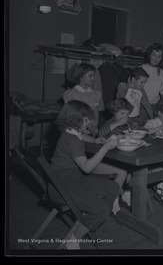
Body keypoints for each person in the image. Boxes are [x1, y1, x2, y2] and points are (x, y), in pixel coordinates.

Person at [48, 100, 121, 250]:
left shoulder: (69, 133)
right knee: (102, 210)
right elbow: (87, 168)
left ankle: (88, 219)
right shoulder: (72, 141)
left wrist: (94, 140)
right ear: (76, 120)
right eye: (86, 119)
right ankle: (73, 239)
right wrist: (105, 148)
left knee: (113, 187)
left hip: (71, 178)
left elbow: (81, 137)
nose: (88, 123)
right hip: (61, 186)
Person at [63, 63, 103, 136]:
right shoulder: (72, 94)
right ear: (81, 76)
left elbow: (95, 110)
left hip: (91, 128)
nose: (93, 78)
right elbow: (70, 114)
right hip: (77, 128)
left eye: (93, 76)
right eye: (90, 76)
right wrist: (82, 127)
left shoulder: (94, 94)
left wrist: (96, 123)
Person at [140, 43, 163, 113]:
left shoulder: (162, 73)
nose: (156, 59)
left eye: (159, 56)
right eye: (154, 55)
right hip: (141, 105)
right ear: (150, 55)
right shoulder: (141, 69)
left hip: (155, 106)